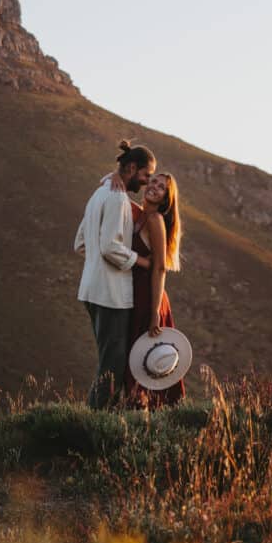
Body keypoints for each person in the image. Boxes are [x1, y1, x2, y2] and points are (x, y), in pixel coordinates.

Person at [74, 140, 156, 408]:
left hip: (91, 290)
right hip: (111, 295)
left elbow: (80, 243)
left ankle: (102, 419)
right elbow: (111, 247)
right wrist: (143, 262)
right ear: (132, 168)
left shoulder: (99, 194)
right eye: (146, 175)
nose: (146, 182)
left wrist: (98, 262)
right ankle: (95, 424)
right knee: (112, 367)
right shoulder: (118, 198)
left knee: (108, 361)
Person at [111, 170, 184, 407]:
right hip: (135, 296)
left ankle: (152, 414)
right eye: (152, 181)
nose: (153, 186)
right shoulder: (139, 214)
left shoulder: (155, 220)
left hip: (149, 298)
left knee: (146, 359)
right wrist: (115, 174)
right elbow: (118, 191)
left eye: (161, 187)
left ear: (165, 198)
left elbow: (160, 268)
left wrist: (154, 313)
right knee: (137, 360)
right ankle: (136, 412)